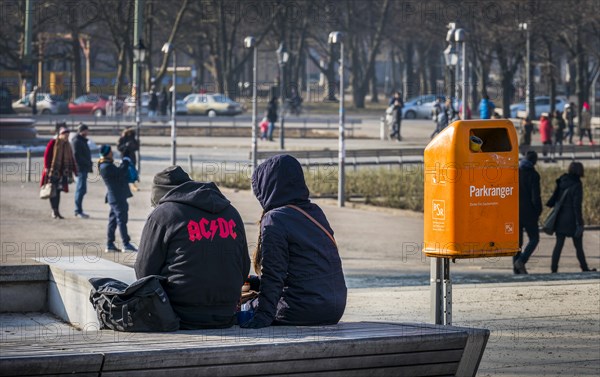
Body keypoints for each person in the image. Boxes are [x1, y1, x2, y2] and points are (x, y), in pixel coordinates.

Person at [135, 166, 250, 329]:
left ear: (160, 195)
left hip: (177, 315)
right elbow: (243, 266)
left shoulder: (162, 214)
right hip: (225, 314)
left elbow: (144, 272)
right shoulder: (231, 212)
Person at [240, 154, 347, 329]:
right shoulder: (315, 212)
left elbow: (274, 274)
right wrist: (256, 283)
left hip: (302, 309)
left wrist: (262, 316)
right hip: (334, 307)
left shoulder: (275, 219)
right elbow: (305, 270)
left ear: (268, 186)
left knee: (240, 307)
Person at [547, 162, 596, 273]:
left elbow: (554, 198)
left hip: (560, 218)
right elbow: (576, 206)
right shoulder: (577, 184)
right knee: (578, 246)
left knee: (558, 245)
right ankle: (584, 268)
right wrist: (579, 223)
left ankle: (554, 269)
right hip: (572, 219)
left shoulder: (562, 180)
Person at [98, 145, 137, 253]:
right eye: (110, 151)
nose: (112, 153)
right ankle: (126, 244)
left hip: (114, 197)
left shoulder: (105, 164)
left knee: (113, 221)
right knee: (122, 220)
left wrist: (124, 161)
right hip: (117, 197)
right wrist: (125, 160)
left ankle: (110, 244)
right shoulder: (106, 166)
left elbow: (118, 173)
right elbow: (120, 173)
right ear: (107, 153)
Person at [514, 151, 541, 274]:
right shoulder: (533, 175)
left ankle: (516, 270)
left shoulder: (515, 172)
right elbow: (536, 197)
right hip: (529, 213)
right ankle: (522, 260)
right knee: (534, 238)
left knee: (517, 243)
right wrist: (538, 211)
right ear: (534, 161)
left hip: (515, 212)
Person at [41, 127, 77, 219]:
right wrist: (47, 168)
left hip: (62, 173)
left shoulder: (67, 145)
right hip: (53, 171)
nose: (66, 137)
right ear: (60, 134)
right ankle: (54, 210)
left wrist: (75, 170)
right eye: (65, 135)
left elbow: (71, 159)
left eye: (68, 135)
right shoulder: (53, 143)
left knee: (58, 192)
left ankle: (57, 211)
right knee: (52, 191)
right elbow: (46, 156)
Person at [71, 123, 93, 218]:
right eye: (86, 130)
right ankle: (78, 210)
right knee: (80, 190)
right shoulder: (77, 141)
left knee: (82, 190)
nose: (87, 132)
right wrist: (87, 163)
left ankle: (79, 209)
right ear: (82, 131)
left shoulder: (82, 140)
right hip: (80, 168)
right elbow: (77, 156)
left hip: (84, 168)